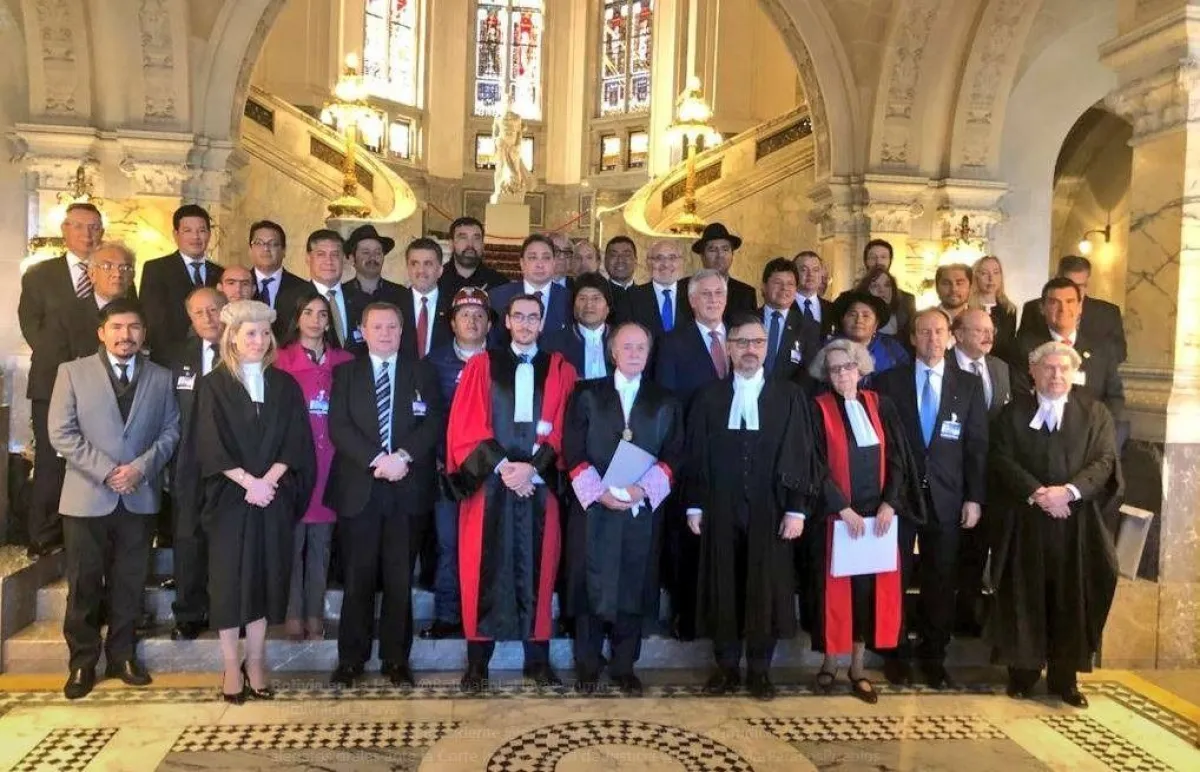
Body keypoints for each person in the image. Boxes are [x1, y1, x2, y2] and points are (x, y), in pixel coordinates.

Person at [49, 297, 181, 699]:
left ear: (144, 333)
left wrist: (140, 468)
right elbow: (61, 432)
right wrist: (107, 471)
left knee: (130, 582)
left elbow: (171, 430)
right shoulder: (72, 372)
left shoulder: (161, 377)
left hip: (139, 495)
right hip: (87, 497)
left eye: (134, 327)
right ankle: (82, 662)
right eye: (118, 327)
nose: (126, 335)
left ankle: (122, 655)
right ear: (101, 333)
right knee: (85, 583)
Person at [447, 293, 578, 691]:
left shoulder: (560, 369)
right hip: (490, 486)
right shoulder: (481, 366)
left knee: (540, 570)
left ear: (542, 322)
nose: (524, 324)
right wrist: (505, 468)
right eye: (518, 316)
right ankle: (478, 664)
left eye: (532, 317)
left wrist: (533, 469)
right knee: (481, 571)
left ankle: (537, 660)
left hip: (539, 487)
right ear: (505, 322)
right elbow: (466, 425)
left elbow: (567, 426)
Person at [685, 313, 815, 700]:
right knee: (723, 585)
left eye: (757, 342)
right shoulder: (709, 397)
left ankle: (760, 670)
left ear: (766, 348)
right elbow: (696, 454)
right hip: (720, 507)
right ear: (728, 348)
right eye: (741, 342)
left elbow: (800, 454)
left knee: (765, 588)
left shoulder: (789, 396)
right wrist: (694, 505)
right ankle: (726, 667)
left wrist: (796, 509)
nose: (749, 350)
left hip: (771, 509)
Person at [193, 300, 315, 703]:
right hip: (230, 498)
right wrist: (248, 482)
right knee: (229, 583)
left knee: (265, 579)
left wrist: (268, 482)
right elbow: (209, 443)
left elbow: (296, 440)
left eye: (265, 333)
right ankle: (231, 665)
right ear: (232, 337)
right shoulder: (213, 385)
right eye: (250, 333)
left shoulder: (284, 385)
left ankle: (257, 662)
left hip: (272, 497)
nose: (259, 340)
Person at [989, 341, 1122, 708]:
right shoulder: (1012, 413)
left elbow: (1104, 461)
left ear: (1074, 373)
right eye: (1048, 368)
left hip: (1076, 524)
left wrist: (1069, 492)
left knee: (1071, 598)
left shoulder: (1095, 413)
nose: (1056, 375)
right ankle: (1023, 673)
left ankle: (1065, 678)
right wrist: (1037, 493)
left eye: (1064, 368)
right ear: (1033, 372)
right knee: (1024, 595)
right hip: (1026, 523)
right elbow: (1001, 457)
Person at [326, 302, 444, 687]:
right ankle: (351, 660)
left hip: (407, 488)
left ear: (401, 330)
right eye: (376, 327)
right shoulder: (346, 373)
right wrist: (378, 459)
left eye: (392, 326)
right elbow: (339, 426)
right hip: (360, 488)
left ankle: (396, 659)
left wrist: (402, 457)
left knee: (399, 579)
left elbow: (433, 423)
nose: (385, 333)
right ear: (363, 330)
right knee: (357, 578)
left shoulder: (422, 371)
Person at [563, 322, 684, 695]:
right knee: (590, 586)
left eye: (640, 347)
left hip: (640, 509)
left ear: (649, 354)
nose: (634, 353)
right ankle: (587, 665)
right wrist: (599, 493)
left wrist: (640, 491)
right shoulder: (586, 393)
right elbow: (572, 449)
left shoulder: (665, 399)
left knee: (634, 583)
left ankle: (623, 666)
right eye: (626, 347)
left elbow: (674, 454)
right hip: (593, 507)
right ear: (613, 352)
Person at [806, 338, 925, 704]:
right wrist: (842, 508)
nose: (842, 374)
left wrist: (890, 503)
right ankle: (829, 663)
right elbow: (815, 465)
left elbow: (899, 460)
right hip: (836, 519)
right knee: (832, 592)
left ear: (860, 368)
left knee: (865, 595)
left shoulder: (881, 405)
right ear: (826, 375)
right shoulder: (817, 409)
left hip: (877, 521)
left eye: (848, 366)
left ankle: (858, 669)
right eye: (834, 369)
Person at [873, 308, 988, 688]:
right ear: (912, 338)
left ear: (951, 337)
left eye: (939, 332)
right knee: (895, 575)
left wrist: (974, 498)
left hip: (948, 497)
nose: (932, 339)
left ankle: (934, 655)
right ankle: (894, 653)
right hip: (899, 497)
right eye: (924, 332)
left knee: (941, 578)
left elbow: (976, 446)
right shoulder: (889, 381)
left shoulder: (968, 385)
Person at [20, 202, 106, 558]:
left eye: (95, 227)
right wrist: (69, 369)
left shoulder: (111, 271)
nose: (88, 234)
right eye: (80, 226)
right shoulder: (39, 274)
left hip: (100, 385)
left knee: (93, 457)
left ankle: (83, 532)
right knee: (51, 460)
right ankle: (43, 535)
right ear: (65, 231)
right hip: (51, 380)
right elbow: (32, 327)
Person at [274, 292, 354, 642]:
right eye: (308, 312)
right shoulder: (280, 360)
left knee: (321, 545)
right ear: (297, 317)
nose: (315, 320)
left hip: (333, 462)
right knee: (291, 544)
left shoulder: (345, 361)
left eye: (322, 314)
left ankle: (315, 613)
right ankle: (292, 612)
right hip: (292, 462)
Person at [654, 269, 729, 640]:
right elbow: (667, 403)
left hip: (736, 459)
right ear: (692, 300)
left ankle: (724, 617)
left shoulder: (741, 338)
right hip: (691, 456)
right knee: (688, 540)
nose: (713, 300)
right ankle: (686, 616)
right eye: (706, 294)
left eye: (718, 293)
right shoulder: (672, 343)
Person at [420, 288, 492, 640]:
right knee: (449, 544)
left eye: (479, 315)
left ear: (490, 324)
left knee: (486, 546)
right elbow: (426, 416)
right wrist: (436, 458)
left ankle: (483, 614)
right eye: (465, 315)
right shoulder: (433, 364)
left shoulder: (501, 361)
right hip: (447, 471)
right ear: (452, 322)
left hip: (490, 471)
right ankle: (448, 615)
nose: (472, 321)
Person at [164, 287, 226, 641]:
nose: (208, 318)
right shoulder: (176, 357)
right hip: (187, 463)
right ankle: (188, 613)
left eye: (214, 309)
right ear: (190, 317)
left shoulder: (244, 349)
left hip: (233, 465)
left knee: (227, 540)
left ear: (226, 310)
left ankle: (226, 610)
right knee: (188, 538)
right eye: (199, 312)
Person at [948, 308, 1012, 635]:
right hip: (952, 474)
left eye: (990, 331)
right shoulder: (942, 365)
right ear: (958, 334)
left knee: (978, 548)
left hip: (991, 476)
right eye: (979, 330)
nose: (988, 336)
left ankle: (968, 615)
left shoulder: (1000, 368)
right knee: (949, 551)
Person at [1017, 278, 1124, 425]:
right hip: (1040, 431)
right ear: (1042, 308)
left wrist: (1099, 430)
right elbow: (1020, 396)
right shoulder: (1024, 349)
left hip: (1091, 432)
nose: (1063, 309)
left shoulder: (1102, 350)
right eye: (1055, 302)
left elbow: (1115, 398)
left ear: (1080, 307)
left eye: (1070, 301)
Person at [140, 204, 223, 359]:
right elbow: (153, 319)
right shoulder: (156, 269)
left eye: (201, 230)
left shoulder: (220, 273)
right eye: (188, 231)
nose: (196, 237)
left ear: (209, 234)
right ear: (176, 234)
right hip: (170, 357)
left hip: (215, 357)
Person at [1018, 255, 1127, 363]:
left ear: (1087, 283)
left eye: (1080, 286)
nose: (1074, 290)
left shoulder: (1108, 313)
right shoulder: (1033, 308)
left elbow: (1119, 353)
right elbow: (1022, 349)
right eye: (1068, 284)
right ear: (1057, 279)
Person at [488, 234, 570, 345]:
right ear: (522, 263)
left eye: (546, 258)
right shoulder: (497, 297)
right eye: (532, 258)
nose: (540, 264)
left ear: (554, 262)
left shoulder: (569, 299)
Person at [276, 230, 351, 348]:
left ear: (344, 259)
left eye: (335, 255)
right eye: (321, 254)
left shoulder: (360, 298)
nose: (329, 261)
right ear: (308, 258)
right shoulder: (289, 299)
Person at [542, 272, 614, 380]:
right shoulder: (553, 343)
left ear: (607, 307)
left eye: (596, 298)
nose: (589, 305)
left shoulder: (621, 339)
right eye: (582, 298)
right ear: (574, 307)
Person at [831, 290, 910, 379]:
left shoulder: (892, 348)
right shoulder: (829, 348)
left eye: (866, 316)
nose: (859, 320)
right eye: (852, 315)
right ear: (842, 320)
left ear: (876, 323)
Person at [247, 220, 308, 337]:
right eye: (259, 243)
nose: (266, 248)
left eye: (273, 244)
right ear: (250, 249)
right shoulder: (240, 285)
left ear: (284, 251)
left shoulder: (303, 289)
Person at [622, 239, 690, 339]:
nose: (666, 264)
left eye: (672, 258)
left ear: (681, 262)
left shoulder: (693, 295)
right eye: (659, 258)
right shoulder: (631, 297)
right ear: (648, 263)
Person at [397, 238, 451, 359]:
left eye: (428, 264)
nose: (421, 270)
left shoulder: (453, 306)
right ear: (407, 269)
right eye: (414, 264)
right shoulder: (394, 305)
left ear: (440, 270)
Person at [758, 258, 809, 382]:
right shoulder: (747, 321)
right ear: (764, 287)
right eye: (777, 282)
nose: (784, 288)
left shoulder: (808, 326)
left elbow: (808, 373)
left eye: (790, 284)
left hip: (789, 393)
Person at [692, 223, 757, 315]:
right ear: (702, 256)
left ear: (732, 255)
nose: (720, 255)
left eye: (725, 249)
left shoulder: (746, 293)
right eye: (712, 250)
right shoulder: (686, 289)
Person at [437, 216, 511, 297]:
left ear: (483, 245)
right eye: (463, 238)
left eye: (476, 238)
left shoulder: (500, 284)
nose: (470, 245)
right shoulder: (436, 281)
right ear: (451, 244)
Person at [969, 255, 1019, 367]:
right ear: (975, 276)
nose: (991, 278)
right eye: (984, 273)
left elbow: (1008, 347)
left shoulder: (1009, 309)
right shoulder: (967, 308)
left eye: (996, 273)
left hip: (1000, 367)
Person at [342, 224, 405, 310]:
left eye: (377, 253)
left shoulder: (401, 294)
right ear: (352, 259)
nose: (372, 257)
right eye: (366, 252)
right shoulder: (341, 295)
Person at [861, 239, 918, 322]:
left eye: (883, 257)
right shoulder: (848, 298)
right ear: (865, 261)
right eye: (873, 257)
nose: (878, 262)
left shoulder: (907, 300)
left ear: (890, 261)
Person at [793, 250, 836, 360]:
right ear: (793, 273)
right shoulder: (783, 307)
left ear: (821, 274)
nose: (810, 274)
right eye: (804, 269)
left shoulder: (833, 309)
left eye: (815, 270)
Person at [854, 268, 908, 337]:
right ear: (866, 292)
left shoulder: (902, 317)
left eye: (887, 285)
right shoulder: (857, 320)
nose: (882, 290)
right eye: (875, 286)